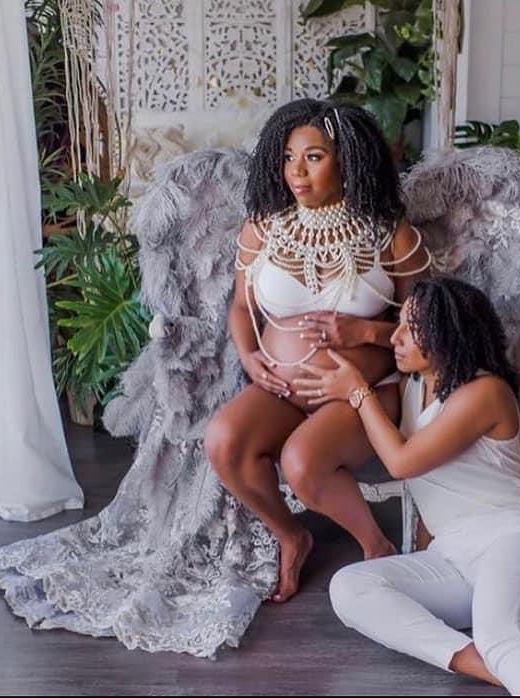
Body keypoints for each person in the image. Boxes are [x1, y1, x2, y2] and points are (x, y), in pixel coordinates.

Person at [295, 276, 520, 695]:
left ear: (447, 336)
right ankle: (479, 663)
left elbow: (401, 462)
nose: (396, 338)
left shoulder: (484, 392)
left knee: (501, 634)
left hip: (514, 539)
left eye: (411, 329)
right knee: (349, 586)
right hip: (451, 557)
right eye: (399, 325)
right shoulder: (414, 386)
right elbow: (432, 488)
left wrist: (358, 392)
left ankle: (500, 655)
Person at [203, 98, 431, 603]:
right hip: (281, 389)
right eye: (288, 157)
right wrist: (249, 357)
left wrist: (364, 333)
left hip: (362, 392)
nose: (296, 172)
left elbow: (425, 329)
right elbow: (241, 307)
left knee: (301, 462)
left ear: (347, 159)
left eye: (313, 156)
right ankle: (291, 535)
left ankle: (375, 546)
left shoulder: (389, 234)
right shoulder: (264, 227)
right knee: (223, 441)